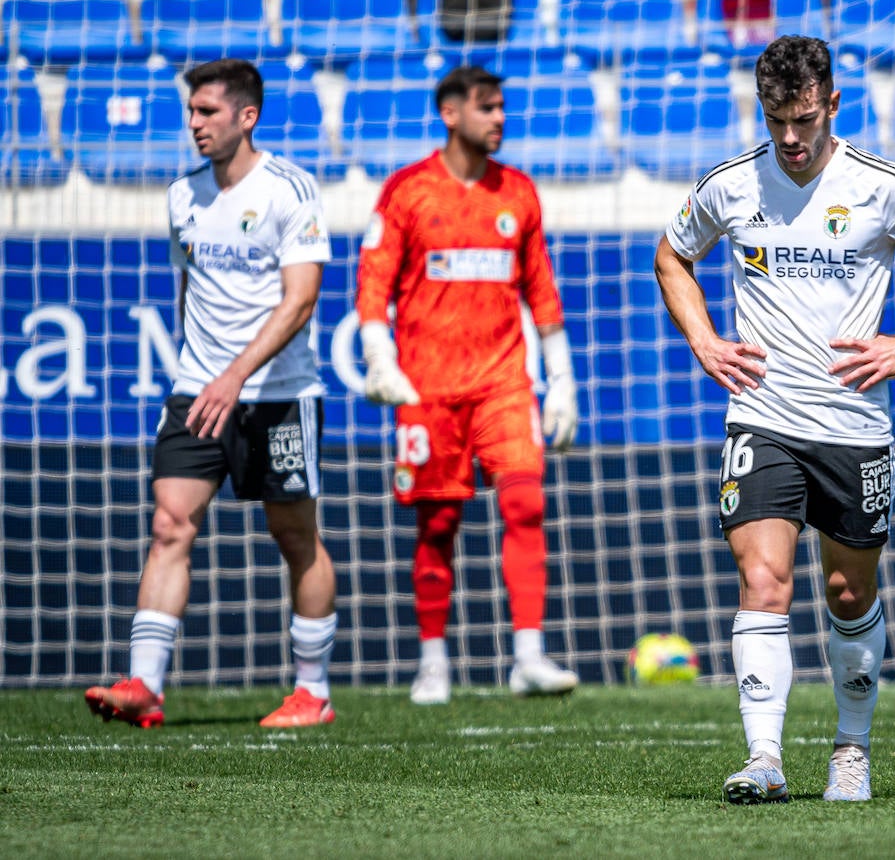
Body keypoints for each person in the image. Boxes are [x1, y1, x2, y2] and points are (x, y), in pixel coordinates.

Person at [655, 35, 895, 803]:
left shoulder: (881, 186)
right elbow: (672, 257)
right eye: (777, 120)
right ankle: (765, 758)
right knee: (763, 579)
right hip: (763, 418)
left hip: (853, 427)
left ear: (833, 104)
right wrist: (704, 341)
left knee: (846, 594)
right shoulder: (730, 185)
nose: (791, 138)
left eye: (804, 118)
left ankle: (851, 747)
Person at [85, 58, 339, 729]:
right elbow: (189, 287)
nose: (194, 124)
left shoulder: (291, 189)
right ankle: (144, 684)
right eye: (191, 112)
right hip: (197, 390)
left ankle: (313, 692)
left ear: (246, 117)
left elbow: (302, 299)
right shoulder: (182, 195)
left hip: (278, 394)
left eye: (207, 112)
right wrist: (202, 371)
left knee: (294, 535)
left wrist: (236, 374)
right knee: (170, 523)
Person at [355, 65, 580, 704]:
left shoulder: (519, 193)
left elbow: (541, 288)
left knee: (526, 504)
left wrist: (560, 381)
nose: (499, 119)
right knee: (437, 524)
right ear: (451, 114)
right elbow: (374, 281)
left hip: (505, 383)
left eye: (502, 107)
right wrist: (379, 355)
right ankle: (433, 662)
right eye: (487, 108)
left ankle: (529, 656)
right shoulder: (407, 192)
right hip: (427, 390)